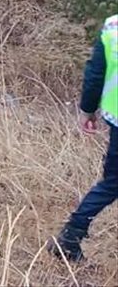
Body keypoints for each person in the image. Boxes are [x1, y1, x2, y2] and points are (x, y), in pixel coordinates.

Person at [48, 14, 118, 262]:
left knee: (112, 182)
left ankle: (71, 235)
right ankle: (70, 236)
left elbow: (95, 74)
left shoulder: (112, 28)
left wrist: (87, 110)